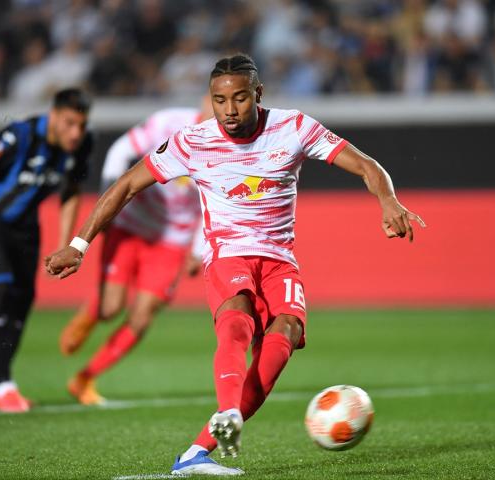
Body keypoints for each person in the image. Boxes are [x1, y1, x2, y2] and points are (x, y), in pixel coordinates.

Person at [45, 54, 425, 475]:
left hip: (280, 259)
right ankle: (228, 411)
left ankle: (196, 452)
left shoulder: (294, 128)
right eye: (220, 100)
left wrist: (388, 200)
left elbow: (364, 164)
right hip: (228, 254)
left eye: (240, 99)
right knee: (237, 319)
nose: (229, 110)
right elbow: (128, 184)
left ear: (258, 95)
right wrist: (78, 245)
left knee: (286, 334)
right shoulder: (194, 141)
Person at [60, 100, 213, 406]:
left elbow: (215, 202)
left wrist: (198, 248)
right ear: (206, 101)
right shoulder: (168, 121)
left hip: (173, 238)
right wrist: (109, 194)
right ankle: (92, 314)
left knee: (142, 318)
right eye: (218, 101)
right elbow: (120, 149)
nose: (226, 111)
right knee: (111, 308)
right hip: (130, 223)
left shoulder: (232, 148)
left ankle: (85, 378)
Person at [0, 88, 93, 413]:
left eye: (82, 125)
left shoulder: (80, 147)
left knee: (22, 303)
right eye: (70, 123)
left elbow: (71, 192)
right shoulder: (17, 136)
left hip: (26, 230)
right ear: (55, 116)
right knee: (0, 291)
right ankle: (5, 383)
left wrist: (66, 245)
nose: (76, 133)